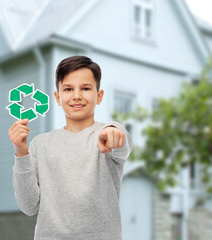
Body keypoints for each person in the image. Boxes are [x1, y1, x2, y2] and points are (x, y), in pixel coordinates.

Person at [8, 55, 133, 240]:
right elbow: (28, 207)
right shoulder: (39, 145)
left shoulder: (106, 136)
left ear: (99, 96)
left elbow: (122, 141)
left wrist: (113, 131)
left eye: (85, 88)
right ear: (58, 97)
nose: (76, 96)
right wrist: (21, 152)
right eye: (68, 89)